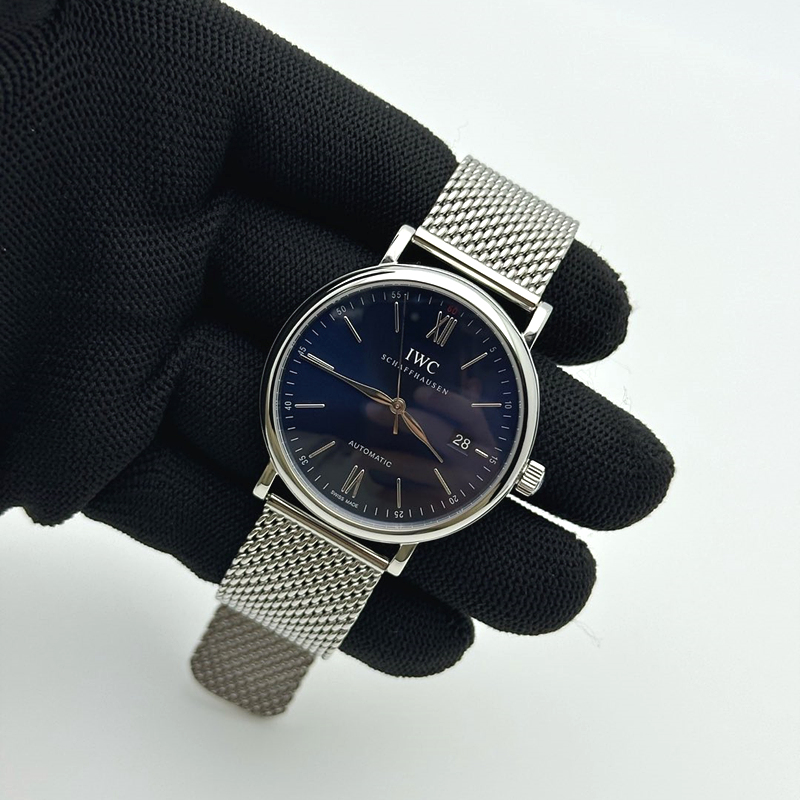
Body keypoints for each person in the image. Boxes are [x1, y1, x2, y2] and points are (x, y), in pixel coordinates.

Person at [0, 0, 673, 680]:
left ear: (516, 471)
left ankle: (247, 673)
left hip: (369, 466)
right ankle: (242, 676)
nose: (398, 405)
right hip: (330, 451)